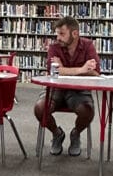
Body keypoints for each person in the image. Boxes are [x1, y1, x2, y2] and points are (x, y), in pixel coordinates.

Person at [33, 16, 100, 157]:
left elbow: (95, 73)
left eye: (62, 34)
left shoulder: (88, 46)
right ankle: (57, 134)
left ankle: (75, 134)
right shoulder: (54, 47)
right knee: (40, 108)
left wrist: (64, 69)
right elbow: (53, 72)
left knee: (87, 111)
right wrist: (81, 70)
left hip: (79, 90)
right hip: (56, 89)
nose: (58, 37)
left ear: (74, 34)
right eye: (57, 33)